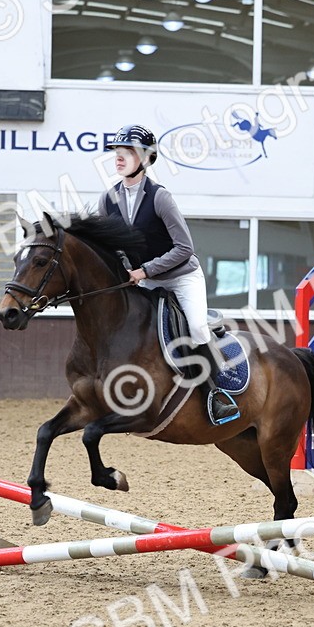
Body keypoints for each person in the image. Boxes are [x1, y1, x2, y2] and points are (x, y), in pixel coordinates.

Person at [98, 124, 240, 426]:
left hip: (181, 276)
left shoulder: (160, 197)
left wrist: (146, 270)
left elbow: (185, 248)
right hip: (143, 280)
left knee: (198, 328)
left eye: (128, 152)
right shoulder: (107, 200)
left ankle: (217, 394)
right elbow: (109, 245)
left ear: (146, 158)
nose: (119, 157)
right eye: (117, 152)